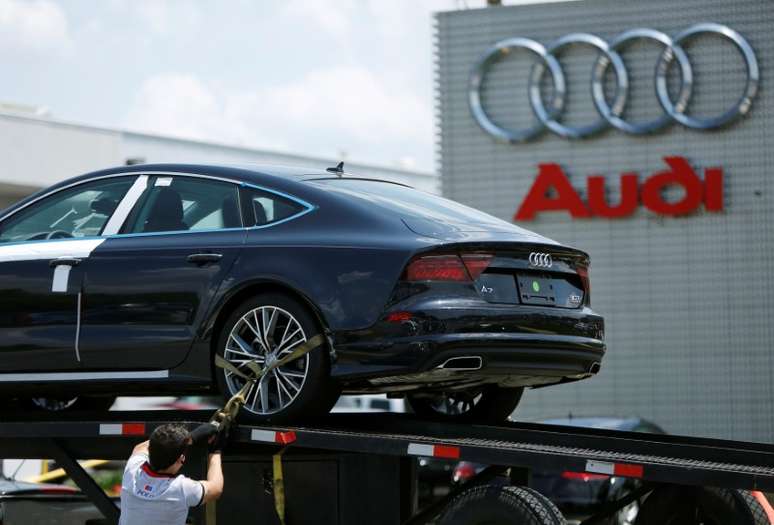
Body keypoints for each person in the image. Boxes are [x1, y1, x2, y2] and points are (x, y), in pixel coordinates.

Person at [119, 422, 225, 525]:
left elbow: (140, 448)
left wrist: (189, 438)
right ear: (181, 459)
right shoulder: (181, 488)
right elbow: (216, 488)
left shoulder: (133, 470)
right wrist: (215, 451)